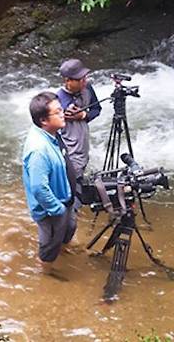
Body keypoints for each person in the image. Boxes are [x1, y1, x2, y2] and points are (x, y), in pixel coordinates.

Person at [22, 92, 77, 273]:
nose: (63, 113)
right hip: (51, 210)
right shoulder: (39, 150)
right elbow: (39, 188)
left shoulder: (51, 134)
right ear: (44, 120)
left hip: (64, 198)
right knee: (48, 248)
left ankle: (62, 250)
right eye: (58, 112)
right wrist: (57, 210)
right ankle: (46, 273)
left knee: (69, 228)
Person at [56, 58, 102, 186]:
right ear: (67, 81)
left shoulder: (87, 88)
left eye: (85, 77)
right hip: (69, 151)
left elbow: (96, 109)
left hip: (83, 147)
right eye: (80, 79)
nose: (84, 82)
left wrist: (83, 115)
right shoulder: (58, 100)